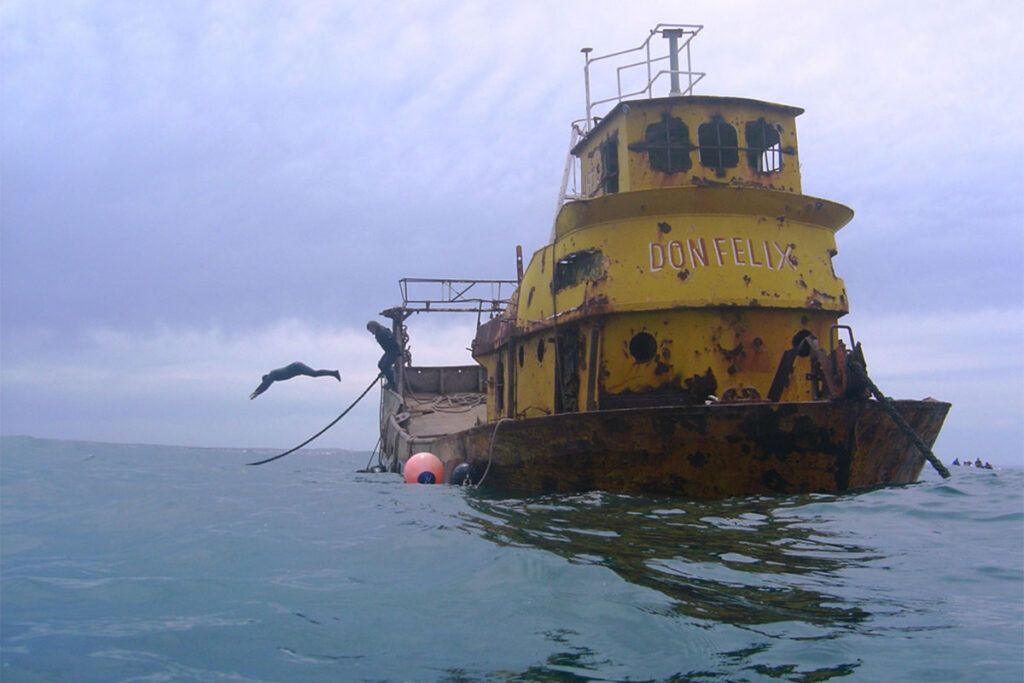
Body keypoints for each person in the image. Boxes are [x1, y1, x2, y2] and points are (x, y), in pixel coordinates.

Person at [249, 362, 340, 399]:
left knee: (314, 374)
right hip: (296, 368)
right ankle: (334, 373)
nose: (272, 382)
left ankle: (334, 373)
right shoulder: (274, 376)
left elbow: (265, 385)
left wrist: (256, 392)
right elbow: (266, 384)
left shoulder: (272, 374)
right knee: (314, 374)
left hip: (296, 367)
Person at [367, 320, 402, 390]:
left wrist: (398, 352)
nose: (371, 332)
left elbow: (392, 341)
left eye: (371, 330)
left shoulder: (382, 332)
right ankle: (389, 376)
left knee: (385, 366)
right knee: (381, 365)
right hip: (389, 351)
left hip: (393, 351)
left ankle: (392, 384)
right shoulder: (380, 332)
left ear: (374, 327)